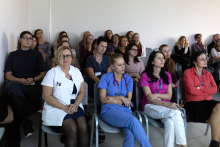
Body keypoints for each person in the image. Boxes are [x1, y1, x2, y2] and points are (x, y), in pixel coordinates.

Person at [98, 54, 152, 147]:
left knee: (130, 133)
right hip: (109, 111)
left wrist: (114, 100)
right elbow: (103, 99)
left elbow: (129, 100)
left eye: (123, 64)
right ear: (112, 66)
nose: (123, 67)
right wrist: (122, 98)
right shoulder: (105, 77)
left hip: (125, 110)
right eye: (119, 65)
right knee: (133, 120)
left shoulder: (128, 79)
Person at [4, 31, 46, 146]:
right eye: (25, 37)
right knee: (12, 88)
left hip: (32, 87)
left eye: (30, 38)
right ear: (20, 39)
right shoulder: (13, 55)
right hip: (17, 86)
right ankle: (26, 123)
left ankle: (17, 134)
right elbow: (7, 75)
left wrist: (33, 79)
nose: (28, 40)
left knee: (13, 96)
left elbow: (43, 73)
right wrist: (18, 80)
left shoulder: (37, 55)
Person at [41, 45, 88, 147]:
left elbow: (82, 91)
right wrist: (64, 108)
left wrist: (76, 104)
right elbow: (46, 96)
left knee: (84, 126)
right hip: (56, 107)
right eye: (62, 56)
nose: (65, 58)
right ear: (57, 58)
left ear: (72, 57)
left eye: (68, 56)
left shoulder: (76, 71)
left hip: (74, 105)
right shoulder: (52, 73)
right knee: (72, 128)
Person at [139, 50, 187, 147]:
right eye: (159, 58)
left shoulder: (167, 75)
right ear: (152, 61)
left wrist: (156, 94)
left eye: (163, 58)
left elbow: (169, 96)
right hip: (150, 106)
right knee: (176, 112)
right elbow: (149, 99)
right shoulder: (145, 76)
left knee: (170, 123)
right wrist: (167, 104)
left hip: (165, 107)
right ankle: (184, 145)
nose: (162, 60)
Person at [183, 51, 219, 147]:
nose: (205, 60)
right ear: (195, 62)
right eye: (202, 59)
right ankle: (215, 143)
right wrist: (207, 90)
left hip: (208, 101)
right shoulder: (187, 73)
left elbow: (215, 89)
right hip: (193, 103)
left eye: (205, 58)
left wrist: (200, 88)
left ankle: (214, 143)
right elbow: (191, 91)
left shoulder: (208, 74)